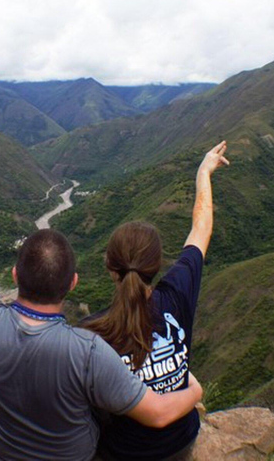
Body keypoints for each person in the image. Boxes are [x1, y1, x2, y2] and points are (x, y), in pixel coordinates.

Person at [0, 141, 204, 461]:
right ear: (73, 283)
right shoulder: (88, 351)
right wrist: (196, 391)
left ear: (15, 275)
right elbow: (158, 412)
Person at [81, 140, 229, 461]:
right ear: (158, 266)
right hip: (180, 443)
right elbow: (201, 228)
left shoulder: (91, 333)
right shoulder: (176, 294)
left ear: (109, 268)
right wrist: (203, 172)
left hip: (123, 452)